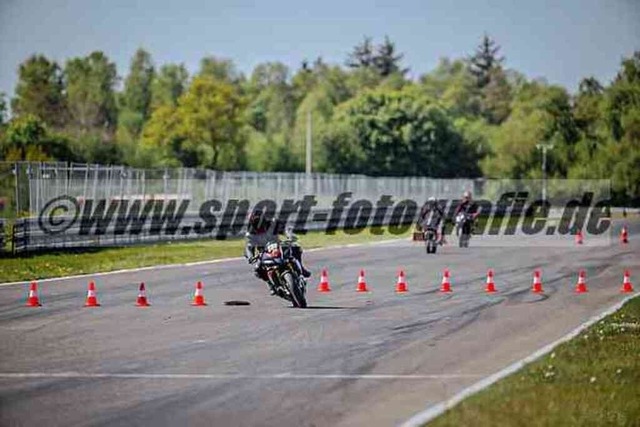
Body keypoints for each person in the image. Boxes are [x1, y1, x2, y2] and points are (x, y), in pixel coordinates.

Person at [244, 210, 311, 294]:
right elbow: (249, 246)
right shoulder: (250, 233)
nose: (257, 223)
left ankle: (301, 269)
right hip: (264, 252)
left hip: (278, 246)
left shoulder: (272, 223)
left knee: (295, 248)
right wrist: (250, 256)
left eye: (258, 220)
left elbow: (285, 230)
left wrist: (290, 236)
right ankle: (271, 284)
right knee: (257, 269)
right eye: (255, 221)